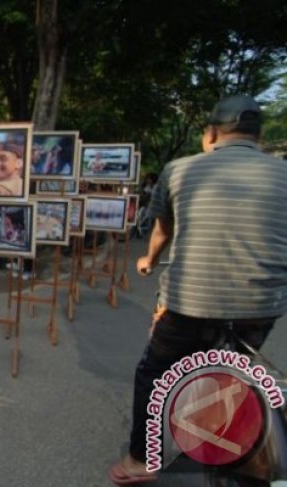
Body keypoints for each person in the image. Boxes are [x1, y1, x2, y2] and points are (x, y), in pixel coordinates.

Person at [109, 95, 287, 485]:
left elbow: (163, 231)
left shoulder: (179, 169)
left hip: (191, 301)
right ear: (258, 137)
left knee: (154, 371)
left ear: (210, 134)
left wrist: (149, 261)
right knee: (239, 370)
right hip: (262, 303)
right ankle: (229, 439)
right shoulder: (283, 173)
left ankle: (142, 459)